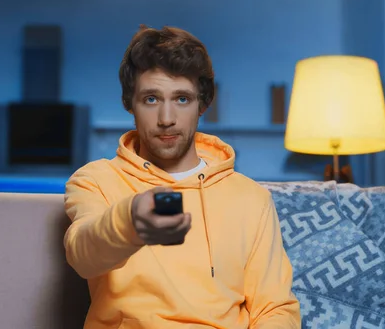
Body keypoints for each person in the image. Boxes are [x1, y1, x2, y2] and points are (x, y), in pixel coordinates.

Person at [64, 24, 301, 328]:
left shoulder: (251, 198)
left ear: (203, 104)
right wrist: (131, 221)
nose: (166, 119)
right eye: (151, 99)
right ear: (129, 103)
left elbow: (275, 309)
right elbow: (83, 254)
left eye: (182, 99)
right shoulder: (96, 179)